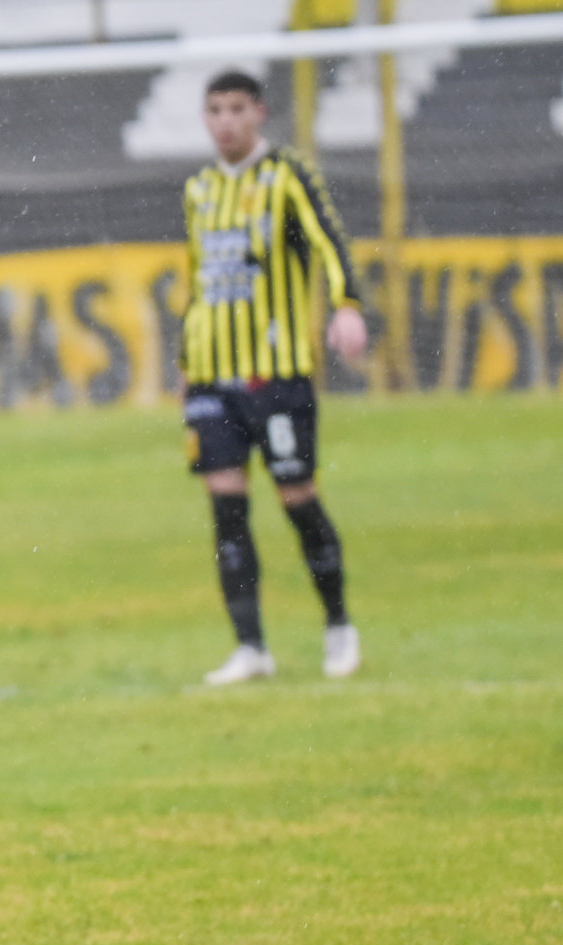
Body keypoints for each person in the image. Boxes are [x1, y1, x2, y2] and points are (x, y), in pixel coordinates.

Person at [180, 69, 369, 686]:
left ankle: (338, 625)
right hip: (212, 377)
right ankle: (250, 647)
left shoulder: (287, 176)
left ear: (259, 113)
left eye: (237, 108)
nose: (225, 121)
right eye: (215, 110)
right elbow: (200, 281)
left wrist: (347, 306)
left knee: (297, 498)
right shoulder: (200, 190)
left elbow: (329, 241)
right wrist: (186, 361)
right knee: (226, 508)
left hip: (277, 375)